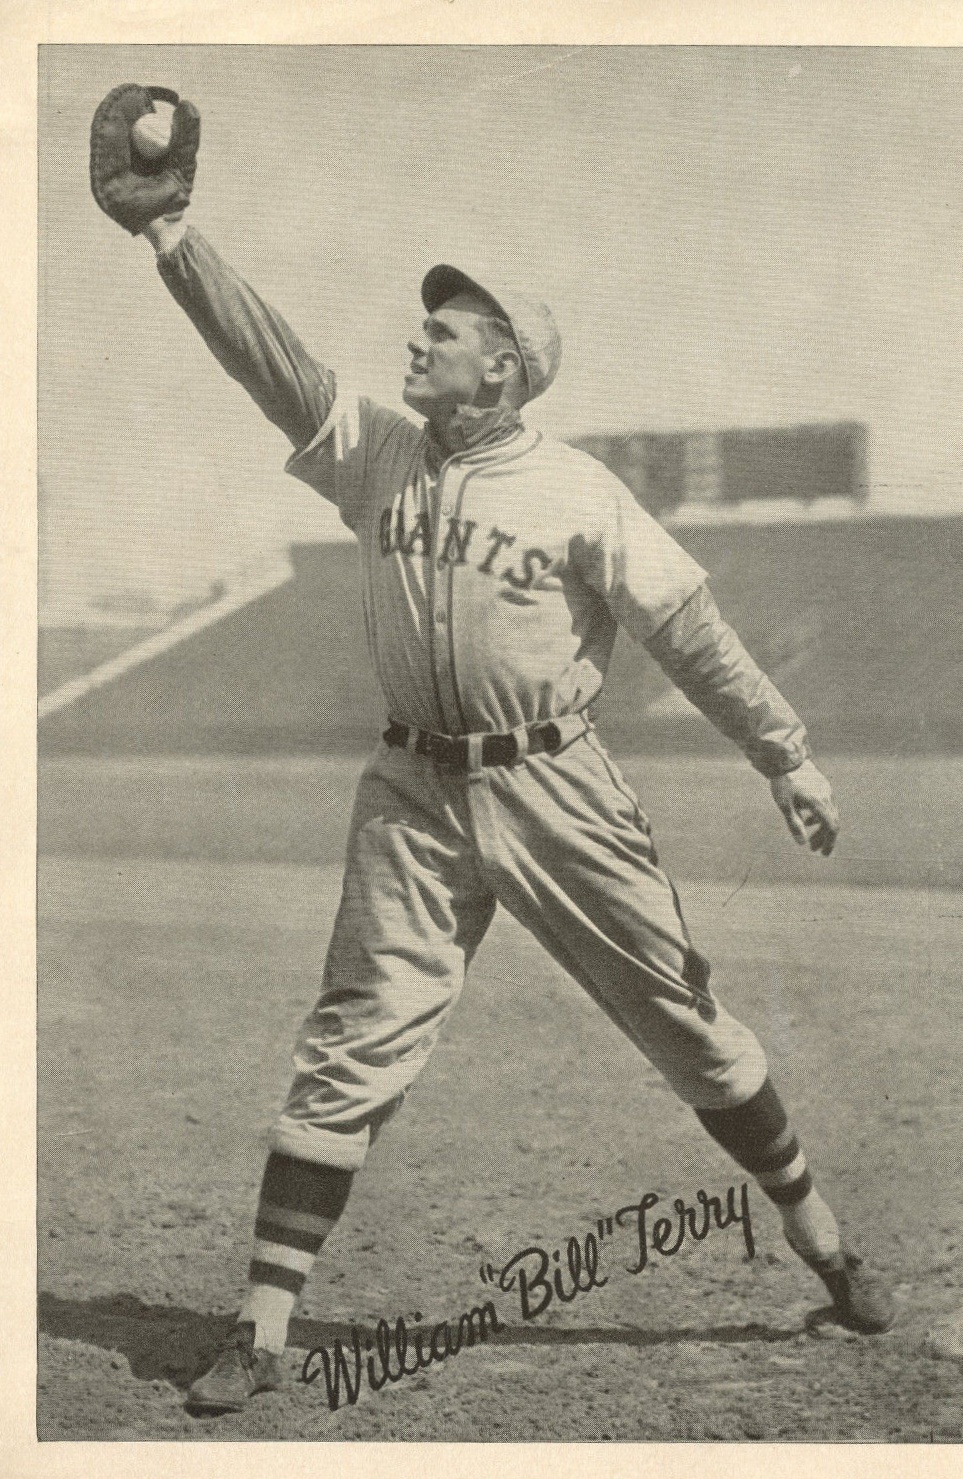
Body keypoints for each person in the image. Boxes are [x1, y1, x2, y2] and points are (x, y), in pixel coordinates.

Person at [89, 85, 895, 1417]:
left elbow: (693, 637)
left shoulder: (582, 494)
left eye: (445, 331)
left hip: (557, 786)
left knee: (690, 1028)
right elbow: (269, 361)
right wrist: (173, 241)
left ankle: (824, 1246)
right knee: (351, 1042)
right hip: (411, 791)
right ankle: (265, 1324)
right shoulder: (378, 455)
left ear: (503, 365)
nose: (418, 342)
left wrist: (784, 755)